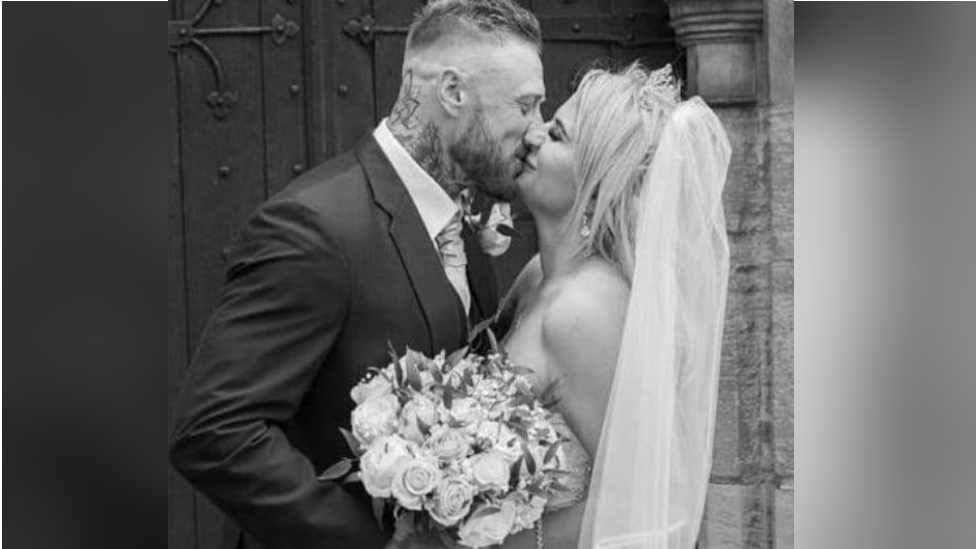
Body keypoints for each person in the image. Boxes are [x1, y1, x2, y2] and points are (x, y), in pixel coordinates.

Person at [168, 2, 545, 549]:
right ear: (453, 93)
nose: (537, 131)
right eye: (526, 106)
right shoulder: (314, 227)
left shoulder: (457, 225)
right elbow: (213, 432)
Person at [393, 62, 731, 549]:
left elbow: (657, 504)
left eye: (557, 134)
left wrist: (484, 543)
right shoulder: (537, 276)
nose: (532, 135)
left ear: (595, 178)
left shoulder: (586, 311)